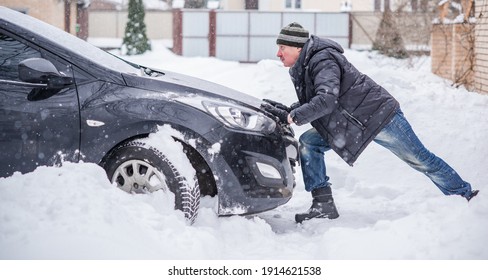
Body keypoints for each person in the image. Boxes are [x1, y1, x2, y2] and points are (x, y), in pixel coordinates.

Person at [261, 22, 479, 223]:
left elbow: (326, 99)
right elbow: (315, 100)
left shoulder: (322, 60)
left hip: (379, 117)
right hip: (352, 123)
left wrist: (293, 117)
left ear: (298, 47)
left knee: (420, 159)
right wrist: (288, 111)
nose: (278, 53)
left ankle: (466, 195)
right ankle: (323, 203)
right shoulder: (307, 64)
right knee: (310, 142)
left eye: (283, 47)